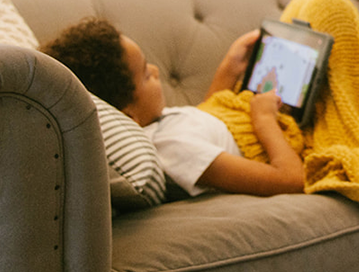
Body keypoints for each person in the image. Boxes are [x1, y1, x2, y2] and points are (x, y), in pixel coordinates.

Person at [41, 18, 304, 196]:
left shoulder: (160, 127)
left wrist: (228, 69)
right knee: (323, 10)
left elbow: (205, 124)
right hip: (286, 141)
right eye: (145, 75)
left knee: (303, 15)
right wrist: (265, 119)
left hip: (258, 114)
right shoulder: (171, 149)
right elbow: (290, 180)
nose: (156, 70)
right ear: (128, 115)